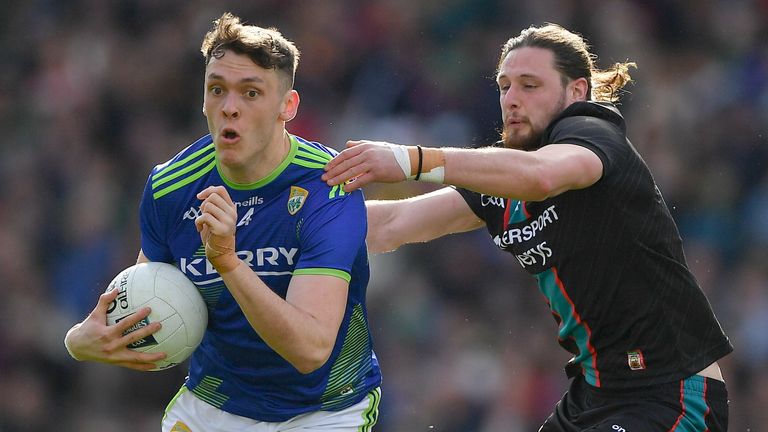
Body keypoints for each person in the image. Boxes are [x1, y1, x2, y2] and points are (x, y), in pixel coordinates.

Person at [323, 23, 732, 431]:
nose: (512, 99)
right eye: (504, 86)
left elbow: (541, 176)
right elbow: (391, 224)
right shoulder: (503, 177)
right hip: (595, 394)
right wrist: (292, 218)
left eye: (530, 85)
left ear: (577, 91)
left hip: (670, 392)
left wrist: (411, 160)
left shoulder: (593, 134)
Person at [64, 12, 381, 431]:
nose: (230, 108)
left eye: (251, 93)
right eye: (217, 90)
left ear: (287, 106)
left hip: (325, 409)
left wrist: (227, 261)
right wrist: (80, 341)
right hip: (214, 404)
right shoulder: (169, 187)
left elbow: (310, 350)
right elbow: (152, 297)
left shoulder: (329, 184)